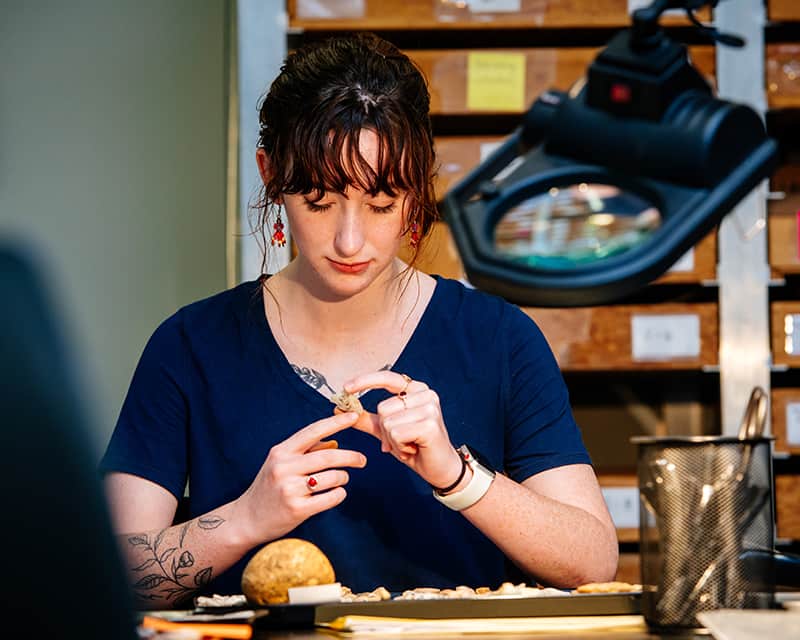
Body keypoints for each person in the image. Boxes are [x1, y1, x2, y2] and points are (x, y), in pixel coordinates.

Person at [100, 32, 618, 609]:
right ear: (270, 173)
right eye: (319, 201)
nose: (350, 240)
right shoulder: (190, 346)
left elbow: (592, 560)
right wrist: (246, 518)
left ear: (419, 187)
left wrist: (459, 477)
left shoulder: (499, 340)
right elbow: (102, 575)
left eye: (381, 203)